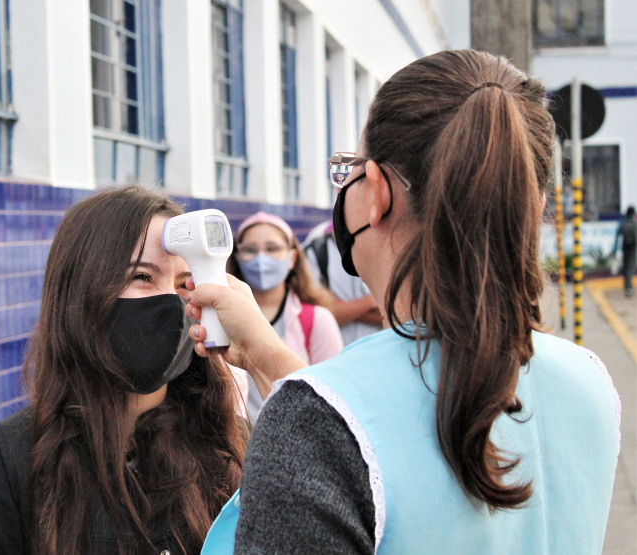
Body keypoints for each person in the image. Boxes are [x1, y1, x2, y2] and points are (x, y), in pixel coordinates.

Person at [186, 50, 620, 553]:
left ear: (376, 191)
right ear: (536, 207)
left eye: (347, 168)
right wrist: (269, 359)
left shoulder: (314, 424)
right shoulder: (591, 382)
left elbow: (350, 434)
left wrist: (295, 399)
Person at [0, 185, 252, 554]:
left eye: (183, 284)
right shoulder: (7, 467)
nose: (171, 302)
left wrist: (264, 358)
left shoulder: (229, 445)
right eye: (142, 277)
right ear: (83, 294)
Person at [227, 212, 343, 421]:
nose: (261, 259)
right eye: (250, 250)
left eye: (272, 249)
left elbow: (335, 397)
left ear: (292, 258)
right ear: (237, 258)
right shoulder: (222, 318)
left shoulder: (317, 321)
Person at [303, 219, 383, 345]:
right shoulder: (316, 247)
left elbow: (406, 315)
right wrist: (370, 302)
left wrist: (343, 310)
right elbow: (316, 313)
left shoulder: (392, 241)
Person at [613, 205, 636, 297]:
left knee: (626, 268)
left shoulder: (623, 223)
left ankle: (626, 287)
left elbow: (617, 237)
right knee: (630, 268)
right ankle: (629, 288)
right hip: (633, 249)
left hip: (625, 248)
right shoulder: (635, 224)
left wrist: (614, 250)